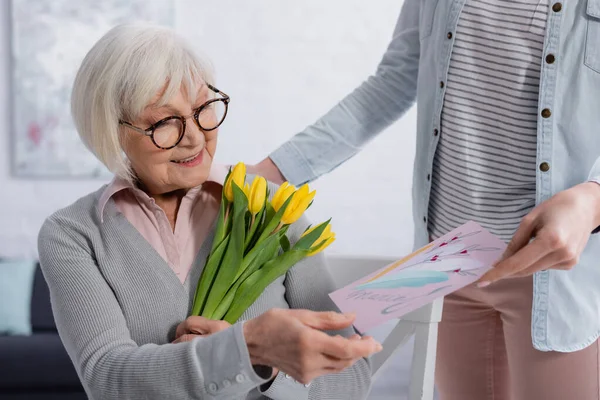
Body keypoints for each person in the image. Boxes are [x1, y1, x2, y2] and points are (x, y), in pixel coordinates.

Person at [249, 1, 600, 399]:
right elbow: (395, 79)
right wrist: (267, 174)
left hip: (553, 274)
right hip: (447, 261)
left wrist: (593, 200)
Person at [37, 24, 381, 400]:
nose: (196, 137)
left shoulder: (272, 208)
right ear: (112, 130)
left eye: (203, 108)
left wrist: (266, 366)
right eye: (164, 123)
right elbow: (108, 379)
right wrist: (241, 350)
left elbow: (352, 380)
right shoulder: (73, 234)